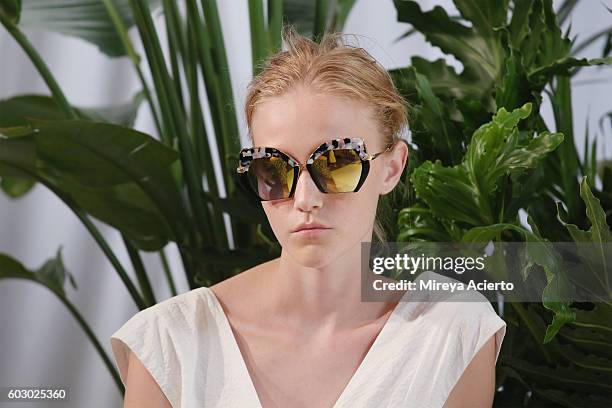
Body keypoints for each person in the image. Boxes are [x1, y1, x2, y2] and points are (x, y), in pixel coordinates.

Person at [110, 26, 506, 408]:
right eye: (275, 168)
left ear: (392, 167)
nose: (305, 199)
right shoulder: (170, 344)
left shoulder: (451, 335)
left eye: (337, 164)